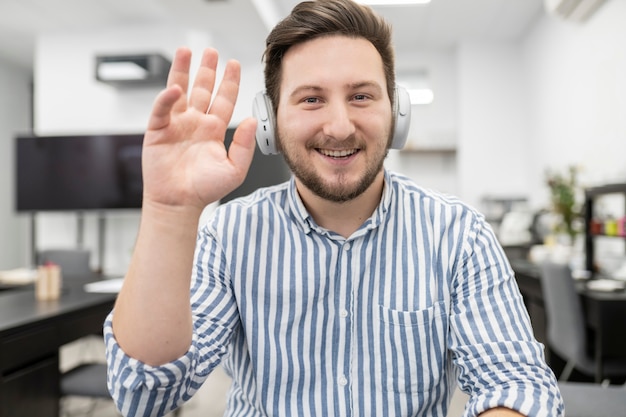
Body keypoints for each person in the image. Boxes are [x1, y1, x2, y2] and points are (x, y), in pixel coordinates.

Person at [104, 0, 564, 416]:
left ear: (397, 113)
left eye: (361, 96)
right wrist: (169, 212)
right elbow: (144, 394)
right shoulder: (229, 234)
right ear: (271, 121)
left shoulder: (457, 233)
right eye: (311, 99)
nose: (340, 126)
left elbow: (517, 385)